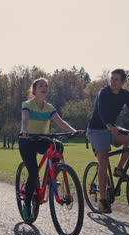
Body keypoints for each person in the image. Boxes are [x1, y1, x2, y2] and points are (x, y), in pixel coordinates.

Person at [86, 69, 129, 213]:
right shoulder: (103, 92)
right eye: (111, 78)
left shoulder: (125, 95)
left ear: (123, 82)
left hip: (112, 129)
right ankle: (103, 200)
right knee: (103, 160)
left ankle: (118, 170)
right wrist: (109, 125)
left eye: (116, 79)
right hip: (97, 130)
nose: (112, 81)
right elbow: (101, 110)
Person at [19, 77, 84, 221]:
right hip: (27, 140)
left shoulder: (49, 108)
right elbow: (24, 119)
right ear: (34, 90)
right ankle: (27, 205)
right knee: (33, 172)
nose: (44, 88)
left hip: (41, 138)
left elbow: (60, 122)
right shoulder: (27, 104)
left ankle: (51, 176)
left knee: (58, 145)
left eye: (46, 86)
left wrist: (73, 131)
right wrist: (24, 130)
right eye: (41, 85)